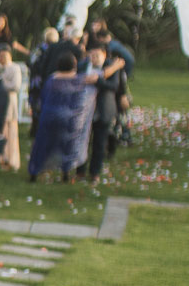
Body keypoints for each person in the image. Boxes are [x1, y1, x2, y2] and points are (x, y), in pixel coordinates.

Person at [26, 52, 101, 182]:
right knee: (67, 146)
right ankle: (65, 174)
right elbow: (95, 80)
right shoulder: (79, 80)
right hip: (69, 121)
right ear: (74, 66)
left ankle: (34, 173)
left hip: (49, 118)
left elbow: (43, 97)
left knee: (43, 145)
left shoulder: (51, 80)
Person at [85, 43, 128, 181]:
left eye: (97, 55)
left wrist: (97, 80)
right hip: (86, 110)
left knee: (99, 143)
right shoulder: (84, 66)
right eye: (91, 55)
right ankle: (80, 170)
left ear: (104, 54)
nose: (94, 58)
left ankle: (94, 173)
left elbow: (114, 85)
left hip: (103, 109)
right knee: (83, 142)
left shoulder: (111, 67)